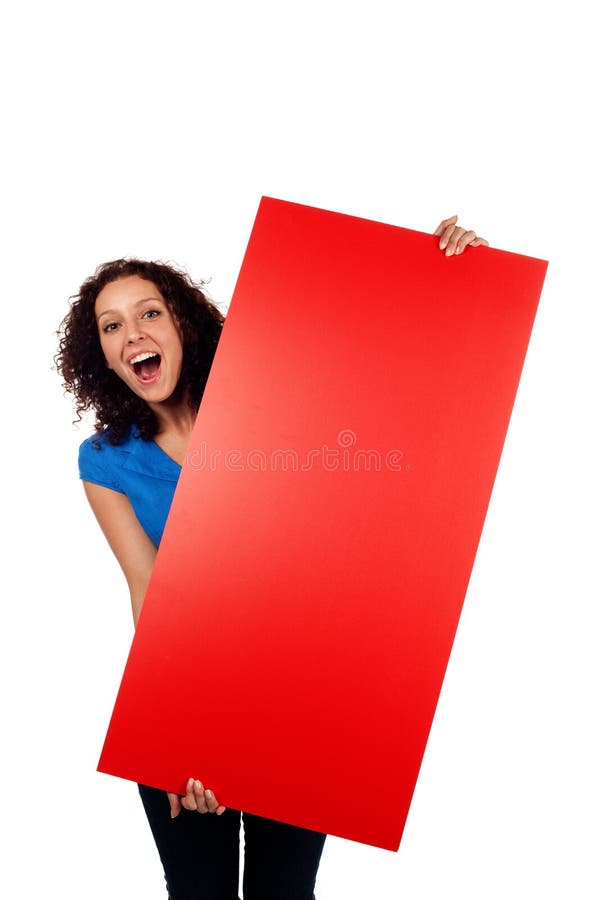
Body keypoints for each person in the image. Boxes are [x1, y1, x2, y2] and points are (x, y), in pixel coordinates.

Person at [55, 214, 488, 900]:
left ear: (181, 327)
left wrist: (450, 270)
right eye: (111, 326)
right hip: (189, 707)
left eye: (147, 313)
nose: (132, 332)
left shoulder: (272, 405)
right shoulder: (104, 460)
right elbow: (147, 588)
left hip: (298, 702)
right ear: (102, 356)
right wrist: (174, 735)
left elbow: (379, 365)